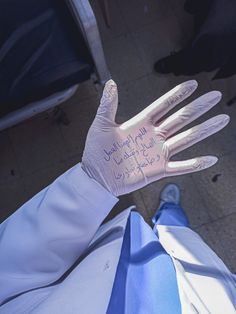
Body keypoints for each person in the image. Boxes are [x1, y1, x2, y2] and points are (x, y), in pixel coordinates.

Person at [0, 80, 235, 314]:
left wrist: (91, 186)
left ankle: (168, 217)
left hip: (116, 261)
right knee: (189, 243)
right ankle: (170, 219)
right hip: (215, 298)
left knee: (176, 233)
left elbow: (9, 272)